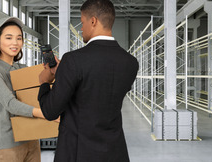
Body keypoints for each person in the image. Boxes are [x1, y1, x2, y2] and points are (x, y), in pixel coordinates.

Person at [38, 0, 139, 161]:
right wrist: (64, 73)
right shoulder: (131, 63)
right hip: (115, 152)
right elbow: (99, 89)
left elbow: (50, 111)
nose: (81, 28)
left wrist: (44, 82)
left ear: (93, 21)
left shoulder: (73, 60)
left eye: (82, 22)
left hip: (78, 153)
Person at [0, 17, 48, 162]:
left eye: (19, 38)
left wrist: (54, 72)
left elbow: (40, 95)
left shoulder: (23, 69)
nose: (15, 42)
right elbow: (10, 104)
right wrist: (46, 114)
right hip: (8, 145)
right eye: (9, 37)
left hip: (31, 139)